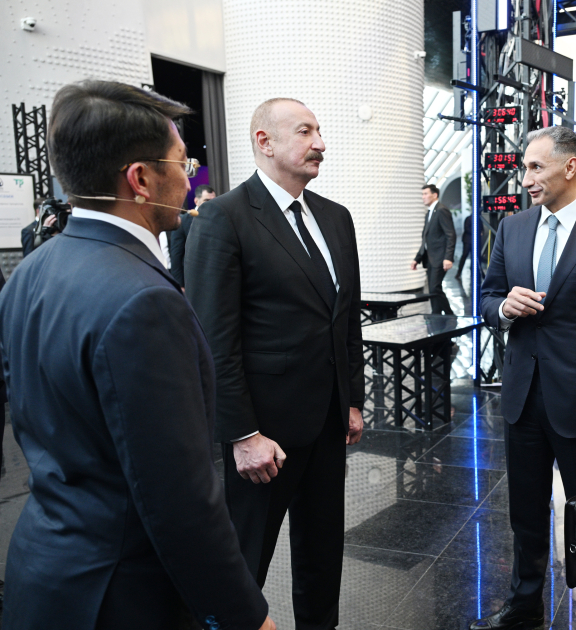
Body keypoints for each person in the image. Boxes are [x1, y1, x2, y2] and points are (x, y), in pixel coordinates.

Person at [0, 80, 272, 630]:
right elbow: (180, 499)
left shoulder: (28, 272)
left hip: (43, 571)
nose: (190, 177)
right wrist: (244, 616)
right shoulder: (145, 300)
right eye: (182, 162)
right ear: (141, 179)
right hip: (122, 593)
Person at [186, 97, 364, 630]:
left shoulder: (336, 218)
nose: (320, 144)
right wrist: (242, 434)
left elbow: (345, 321)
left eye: (319, 131)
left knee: (323, 556)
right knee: (243, 563)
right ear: (264, 141)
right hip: (264, 435)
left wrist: (353, 400)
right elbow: (214, 339)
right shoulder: (224, 218)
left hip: (328, 423)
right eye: (305, 132)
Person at [475, 126, 576, 630]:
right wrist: (503, 307)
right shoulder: (512, 228)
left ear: (570, 167)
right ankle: (524, 605)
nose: (525, 178)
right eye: (523, 168)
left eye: (535, 167)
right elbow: (487, 297)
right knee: (525, 514)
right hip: (522, 399)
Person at [410, 184, 456, 314]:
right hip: (430, 258)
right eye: (422, 194)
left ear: (435, 195)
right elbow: (426, 239)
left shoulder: (441, 210)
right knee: (432, 289)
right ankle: (436, 314)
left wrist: (448, 258)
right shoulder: (430, 212)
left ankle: (450, 315)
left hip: (440, 258)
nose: (423, 197)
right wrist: (417, 258)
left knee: (435, 288)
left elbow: (450, 235)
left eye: (425, 194)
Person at [169, 184, 215, 288]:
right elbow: (176, 256)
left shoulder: (219, 219)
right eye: (207, 200)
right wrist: (180, 285)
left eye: (214, 200)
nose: (211, 204)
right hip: (191, 280)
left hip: (213, 279)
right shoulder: (183, 221)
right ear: (196, 201)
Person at [455, 211, 485, 281]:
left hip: (474, 241)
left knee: (474, 257)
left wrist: (479, 233)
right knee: (465, 256)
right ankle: (459, 272)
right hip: (468, 241)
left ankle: (473, 273)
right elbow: (467, 229)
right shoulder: (469, 219)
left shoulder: (478, 219)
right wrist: (477, 232)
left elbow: (482, 229)